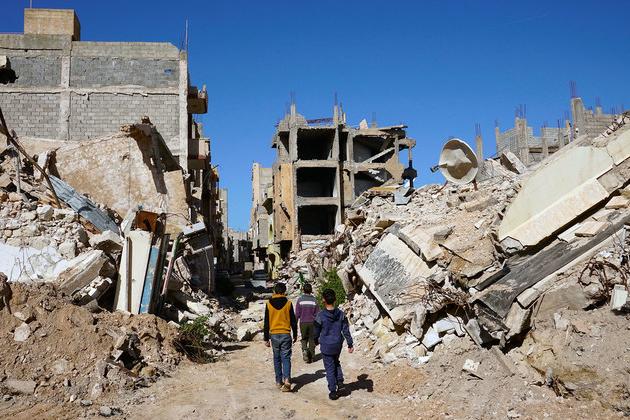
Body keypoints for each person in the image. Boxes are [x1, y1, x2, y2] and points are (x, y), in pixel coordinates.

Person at [313, 288, 354, 400]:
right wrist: (350, 344)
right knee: (336, 362)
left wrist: (315, 341)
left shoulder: (320, 315)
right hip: (337, 344)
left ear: (323, 300)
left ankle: (333, 391)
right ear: (335, 299)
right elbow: (346, 330)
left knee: (329, 367)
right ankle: (340, 382)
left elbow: (316, 331)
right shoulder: (341, 314)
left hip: (326, 345)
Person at [263, 282, 298, 392]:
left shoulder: (269, 304)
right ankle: (287, 379)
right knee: (286, 357)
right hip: (285, 334)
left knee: (276, 358)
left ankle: (279, 381)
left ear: (274, 291)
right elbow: (293, 321)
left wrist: (266, 338)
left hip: (274, 335)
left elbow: (266, 322)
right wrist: (295, 334)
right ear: (284, 291)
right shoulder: (288, 303)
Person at [295, 282, 319, 363]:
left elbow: (297, 313)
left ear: (303, 290)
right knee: (312, 339)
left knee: (304, 338)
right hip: (312, 323)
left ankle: (305, 350)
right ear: (311, 290)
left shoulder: (300, 300)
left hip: (303, 323)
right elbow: (317, 314)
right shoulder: (314, 300)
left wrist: (295, 323)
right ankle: (311, 356)